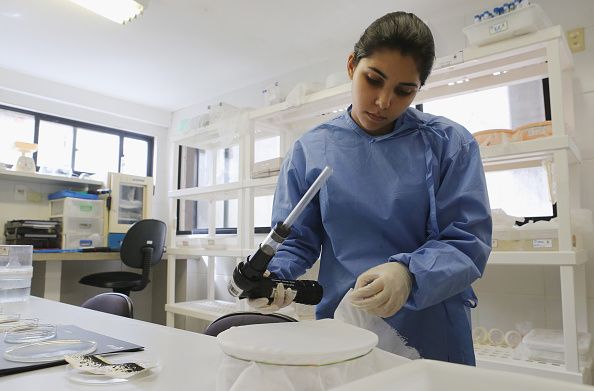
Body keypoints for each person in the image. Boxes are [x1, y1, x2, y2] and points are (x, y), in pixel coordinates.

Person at [249, 11, 492, 365]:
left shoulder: (449, 144)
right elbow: (296, 239)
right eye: (373, 80)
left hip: (431, 330)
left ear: (418, 89)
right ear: (352, 65)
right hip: (346, 329)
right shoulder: (311, 150)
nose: (383, 102)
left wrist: (409, 274)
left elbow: (468, 242)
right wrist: (273, 279)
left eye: (403, 91)